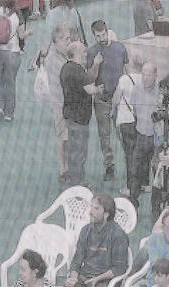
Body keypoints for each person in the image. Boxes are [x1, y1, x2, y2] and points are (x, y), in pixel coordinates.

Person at [62, 192, 130, 287]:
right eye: (91, 207)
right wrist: (73, 278)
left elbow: (119, 269)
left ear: (106, 214)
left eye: (96, 208)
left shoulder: (118, 235)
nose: (90, 212)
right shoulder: (86, 230)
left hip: (106, 281)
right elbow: (76, 261)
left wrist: (97, 279)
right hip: (85, 278)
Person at [86, 20, 127, 183]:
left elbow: (126, 71)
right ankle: (109, 166)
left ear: (107, 32)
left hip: (119, 100)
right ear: (93, 36)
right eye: (98, 36)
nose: (101, 38)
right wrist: (95, 64)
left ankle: (130, 162)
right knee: (105, 136)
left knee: (123, 133)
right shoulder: (91, 52)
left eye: (103, 34)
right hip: (101, 100)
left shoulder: (120, 48)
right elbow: (90, 78)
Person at [120, 60, 163, 206]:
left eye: (149, 75)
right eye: (143, 74)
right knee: (134, 170)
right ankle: (133, 202)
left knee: (157, 172)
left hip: (156, 140)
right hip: (140, 136)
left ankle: (156, 207)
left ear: (155, 76)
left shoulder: (161, 93)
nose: (145, 78)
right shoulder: (136, 89)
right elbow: (135, 110)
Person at [61, 39, 102, 187]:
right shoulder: (77, 71)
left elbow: (88, 79)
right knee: (80, 150)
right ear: (75, 53)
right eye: (83, 52)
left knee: (73, 149)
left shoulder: (66, 68)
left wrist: (95, 65)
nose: (85, 54)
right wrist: (99, 89)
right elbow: (90, 88)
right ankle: (78, 182)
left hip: (70, 115)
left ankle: (73, 178)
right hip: (79, 118)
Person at [40, 24, 76, 183]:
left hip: (72, 103)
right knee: (62, 136)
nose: (68, 42)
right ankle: (63, 169)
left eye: (69, 38)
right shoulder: (52, 59)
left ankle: (70, 166)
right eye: (64, 39)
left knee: (71, 137)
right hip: (61, 104)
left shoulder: (68, 55)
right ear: (56, 42)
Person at [0, 0, 28, 122]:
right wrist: (29, 33)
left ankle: (0, 106)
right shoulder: (17, 15)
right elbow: (21, 35)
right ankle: (9, 113)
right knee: (10, 83)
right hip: (12, 52)